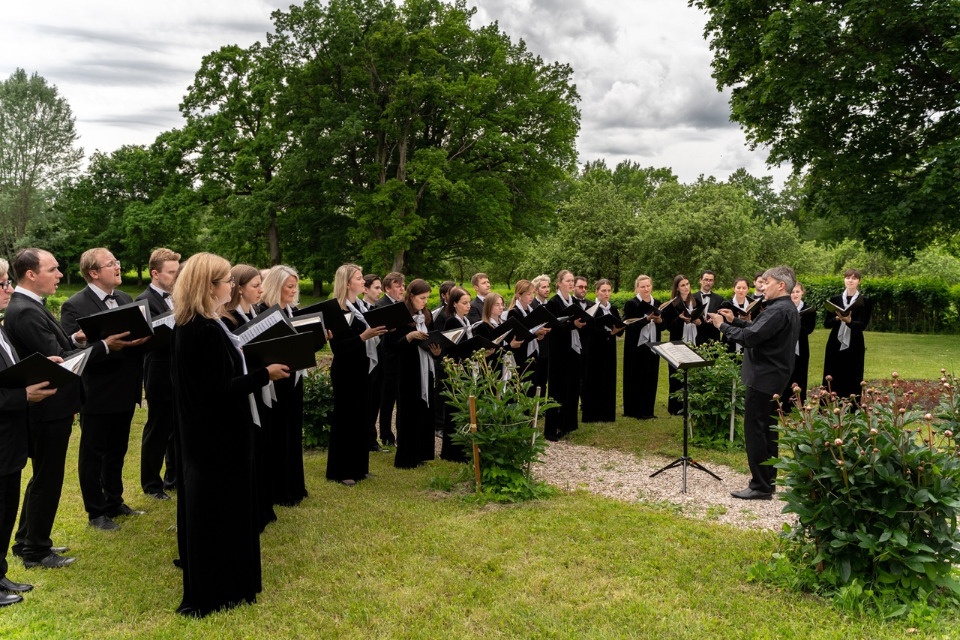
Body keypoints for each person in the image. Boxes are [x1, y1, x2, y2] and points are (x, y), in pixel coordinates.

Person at [170, 252, 288, 617]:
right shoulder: (198, 330)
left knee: (228, 511)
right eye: (227, 282)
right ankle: (215, 590)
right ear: (209, 286)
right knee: (215, 512)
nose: (231, 287)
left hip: (220, 433)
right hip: (215, 437)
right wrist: (263, 375)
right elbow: (218, 388)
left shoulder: (207, 322)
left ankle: (233, 581)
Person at [6, 249, 115, 568]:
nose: (58, 274)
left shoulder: (28, 306)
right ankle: (37, 550)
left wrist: (75, 340)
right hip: (47, 408)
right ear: (31, 274)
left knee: (42, 476)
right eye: (52, 270)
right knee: (48, 479)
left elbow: (54, 348)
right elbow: (58, 359)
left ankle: (26, 538)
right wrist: (104, 345)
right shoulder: (25, 310)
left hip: (48, 406)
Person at [59, 248, 151, 532]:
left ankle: (114, 500)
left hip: (126, 387)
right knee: (93, 454)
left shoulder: (124, 299)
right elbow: (71, 354)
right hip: (97, 391)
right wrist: (102, 344)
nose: (118, 267)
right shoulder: (74, 305)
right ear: (93, 272)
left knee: (118, 450)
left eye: (117, 262)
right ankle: (96, 512)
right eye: (111, 264)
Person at [707, 265, 800, 500]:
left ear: (781, 285)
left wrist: (722, 325)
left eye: (766, 282)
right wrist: (736, 320)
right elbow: (759, 330)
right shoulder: (784, 308)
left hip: (763, 378)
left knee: (756, 430)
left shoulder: (778, 310)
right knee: (768, 431)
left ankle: (759, 485)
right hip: (774, 377)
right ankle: (767, 482)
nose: (761, 285)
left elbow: (750, 338)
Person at [0, 260, 57, 605]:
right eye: (2, 283)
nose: (8, 289)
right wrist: (22, 395)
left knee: (6, 509)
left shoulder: (1, 327)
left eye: (6, 282)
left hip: (9, 438)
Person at [222, 264, 276, 531]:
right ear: (239, 288)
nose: (261, 290)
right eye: (255, 286)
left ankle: (262, 505)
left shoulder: (254, 312)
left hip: (259, 384)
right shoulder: (229, 318)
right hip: (247, 388)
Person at [326, 264, 388, 485]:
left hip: (364, 368)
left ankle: (360, 467)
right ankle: (342, 471)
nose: (363, 282)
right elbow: (339, 348)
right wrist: (364, 336)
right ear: (347, 283)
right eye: (359, 278)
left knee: (363, 418)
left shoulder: (361, 307)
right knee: (346, 419)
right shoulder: (337, 310)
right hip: (346, 371)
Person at [260, 265, 308, 506]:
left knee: (292, 429)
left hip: (293, 376)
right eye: (289, 286)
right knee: (277, 432)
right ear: (275, 286)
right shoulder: (264, 311)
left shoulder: (293, 310)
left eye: (295, 286)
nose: (293, 290)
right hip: (274, 380)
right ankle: (279, 489)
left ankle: (294, 484)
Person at [136, 248, 181, 501]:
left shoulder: (178, 296)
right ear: (155, 273)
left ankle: (173, 478)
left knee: (176, 428)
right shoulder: (143, 301)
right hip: (159, 372)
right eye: (172, 272)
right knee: (157, 429)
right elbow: (147, 339)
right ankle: (152, 484)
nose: (176, 277)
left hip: (178, 370)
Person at [388, 279, 441, 469]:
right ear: (411, 296)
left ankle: (422, 453)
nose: (425, 302)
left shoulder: (426, 316)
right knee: (409, 411)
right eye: (422, 298)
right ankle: (407, 457)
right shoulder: (400, 315)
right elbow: (392, 345)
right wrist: (409, 337)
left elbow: (433, 336)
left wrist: (436, 350)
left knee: (425, 410)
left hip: (425, 367)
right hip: (407, 369)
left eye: (427, 298)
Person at [544, 270, 588, 440]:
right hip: (558, 352)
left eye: (572, 281)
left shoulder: (573, 301)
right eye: (568, 281)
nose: (571, 284)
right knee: (557, 390)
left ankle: (568, 423)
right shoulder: (554, 303)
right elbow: (552, 327)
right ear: (560, 283)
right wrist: (572, 324)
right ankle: (551, 429)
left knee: (572, 387)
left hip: (573, 349)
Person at [822, 268, 872, 405]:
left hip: (855, 341)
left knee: (853, 371)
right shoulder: (835, 299)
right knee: (832, 371)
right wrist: (837, 319)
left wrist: (849, 322)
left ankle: (852, 405)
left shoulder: (865, 301)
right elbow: (826, 324)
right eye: (848, 277)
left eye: (854, 278)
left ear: (859, 281)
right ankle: (829, 404)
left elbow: (862, 325)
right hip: (835, 341)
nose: (850, 280)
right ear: (844, 280)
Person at [580, 279, 623, 423]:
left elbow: (619, 330)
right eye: (603, 290)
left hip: (610, 348)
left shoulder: (613, 309)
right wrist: (607, 333)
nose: (606, 293)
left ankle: (607, 413)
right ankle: (592, 413)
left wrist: (619, 329)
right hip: (594, 348)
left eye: (609, 290)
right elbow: (589, 330)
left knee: (608, 378)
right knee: (594, 379)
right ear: (597, 292)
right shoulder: (592, 308)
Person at [622, 275, 663, 420]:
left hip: (653, 344)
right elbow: (628, 325)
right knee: (636, 376)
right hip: (636, 346)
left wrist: (659, 320)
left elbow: (663, 326)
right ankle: (634, 410)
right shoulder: (631, 304)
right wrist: (645, 319)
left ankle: (648, 410)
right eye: (642, 286)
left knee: (651, 376)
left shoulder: (657, 303)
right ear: (637, 288)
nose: (646, 289)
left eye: (648, 286)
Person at [376, 272, 405, 447]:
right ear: (388, 288)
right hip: (386, 360)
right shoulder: (381, 305)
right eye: (398, 286)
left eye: (403, 285)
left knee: (396, 397)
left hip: (397, 358)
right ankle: (386, 435)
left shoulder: (399, 305)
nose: (402, 289)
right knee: (386, 400)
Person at [506, 279, 549, 396]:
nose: (532, 297)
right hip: (521, 355)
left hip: (533, 352)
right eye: (528, 294)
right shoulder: (514, 312)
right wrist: (535, 333)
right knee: (523, 388)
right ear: (519, 295)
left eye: (532, 294)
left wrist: (540, 334)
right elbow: (519, 337)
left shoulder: (531, 310)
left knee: (534, 386)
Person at [665, 274, 699, 416]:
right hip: (677, 341)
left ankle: (690, 404)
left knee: (691, 373)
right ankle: (675, 406)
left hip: (692, 340)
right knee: (676, 374)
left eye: (687, 284)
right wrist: (680, 319)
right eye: (683, 285)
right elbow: (668, 326)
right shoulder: (672, 304)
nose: (686, 287)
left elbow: (699, 319)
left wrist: (698, 322)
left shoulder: (695, 301)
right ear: (677, 289)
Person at [781, 282, 816, 413]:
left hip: (802, 346)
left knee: (800, 373)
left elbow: (809, 329)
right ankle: (784, 406)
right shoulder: (784, 308)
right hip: (785, 346)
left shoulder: (809, 309)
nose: (795, 295)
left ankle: (799, 405)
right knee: (785, 374)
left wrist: (797, 323)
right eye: (792, 292)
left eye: (797, 292)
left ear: (802, 292)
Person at [695, 270, 724, 345]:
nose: (708, 282)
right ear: (700, 280)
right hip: (696, 335)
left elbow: (722, 317)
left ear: (714, 282)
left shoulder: (719, 299)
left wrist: (715, 319)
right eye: (706, 280)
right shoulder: (692, 297)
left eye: (711, 280)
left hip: (713, 337)